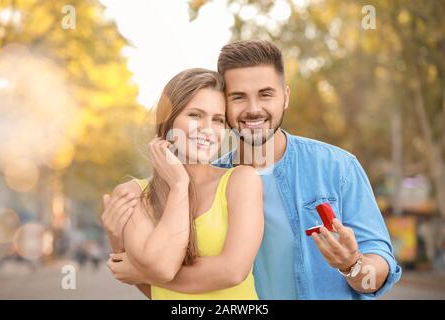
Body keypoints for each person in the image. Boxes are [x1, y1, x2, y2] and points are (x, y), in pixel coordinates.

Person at [105, 40, 402, 299]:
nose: (253, 109)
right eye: (238, 97)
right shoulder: (208, 181)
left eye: (266, 94)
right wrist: (130, 250)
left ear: (285, 96)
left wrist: (352, 265)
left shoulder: (337, 167)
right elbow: (173, 293)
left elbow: (379, 268)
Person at [101, 68, 264, 299]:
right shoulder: (133, 194)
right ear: (169, 120)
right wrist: (179, 185)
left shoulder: (241, 181)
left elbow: (233, 271)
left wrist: (141, 272)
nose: (208, 130)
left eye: (217, 120)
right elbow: (160, 274)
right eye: (195, 115)